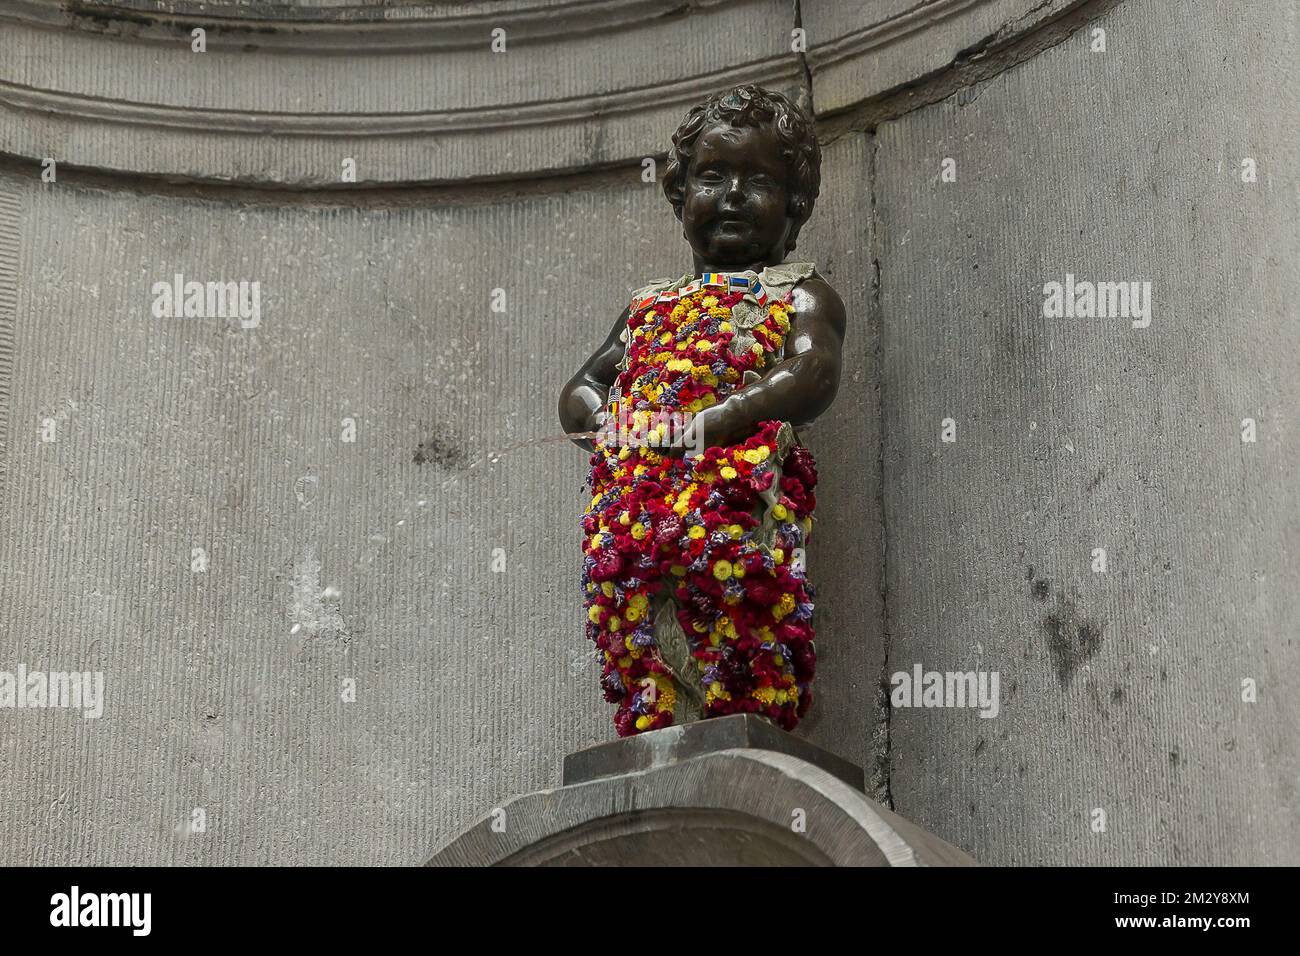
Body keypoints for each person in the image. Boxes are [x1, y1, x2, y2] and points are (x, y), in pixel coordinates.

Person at [558, 84, 846, 737]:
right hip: (638, 507)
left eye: (760, 181)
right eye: (713, 177)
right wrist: (612, 425)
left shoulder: (797, 291)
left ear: (796, 206)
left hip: (735, 500)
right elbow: (580, 389)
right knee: (641, 621)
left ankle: (738, 713)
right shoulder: (650, 306)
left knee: (738, 612)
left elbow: (812, 370)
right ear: (680, 194)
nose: (734, 196)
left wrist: (709, 424)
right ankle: (660, 717)